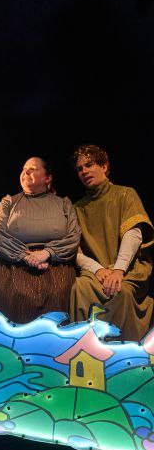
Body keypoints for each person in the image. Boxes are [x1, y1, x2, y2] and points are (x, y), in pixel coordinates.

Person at [70, 144, 154, 341]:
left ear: (104, 166)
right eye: (80, 169)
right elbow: (74, 250)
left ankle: (121, 353)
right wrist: (97, 269)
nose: (84, 171)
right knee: (78, 288)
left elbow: (133, 234)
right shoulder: (76, 208)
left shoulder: (125, 194)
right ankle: (83, 347)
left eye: (89, 165)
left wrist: (118, 270)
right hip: (95, 273)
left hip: (128, 269)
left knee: (121, 292)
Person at [0, 156, 81, 324]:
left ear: (48, 178)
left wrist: (47, 253)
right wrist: (26, 256)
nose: (26, 172)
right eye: (24, 169)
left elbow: (73, 236)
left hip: (54, 266)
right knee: (11, 293)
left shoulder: (64, 204)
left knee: (58, 295)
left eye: (33, 168)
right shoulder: (8, 203)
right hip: (14, 265)